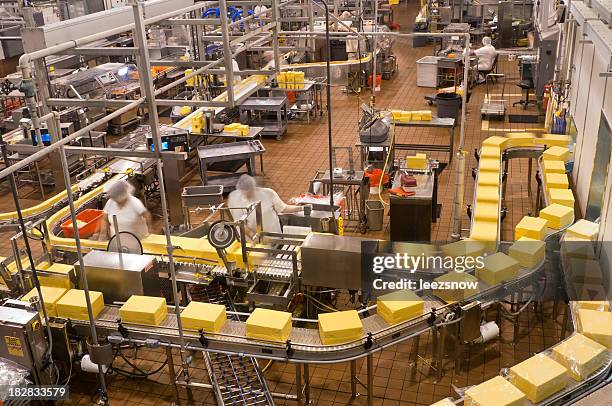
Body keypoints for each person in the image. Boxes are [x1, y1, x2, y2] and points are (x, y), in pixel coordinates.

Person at [228, 174, 305, 240]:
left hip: (275, 237)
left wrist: (301, 208)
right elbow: (240, 223)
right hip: (254, 243)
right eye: (244, 191)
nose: (247, 194)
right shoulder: (235, 199)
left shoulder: (268, 193)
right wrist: (253, 236)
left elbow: (283, 208)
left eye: (250, 191)